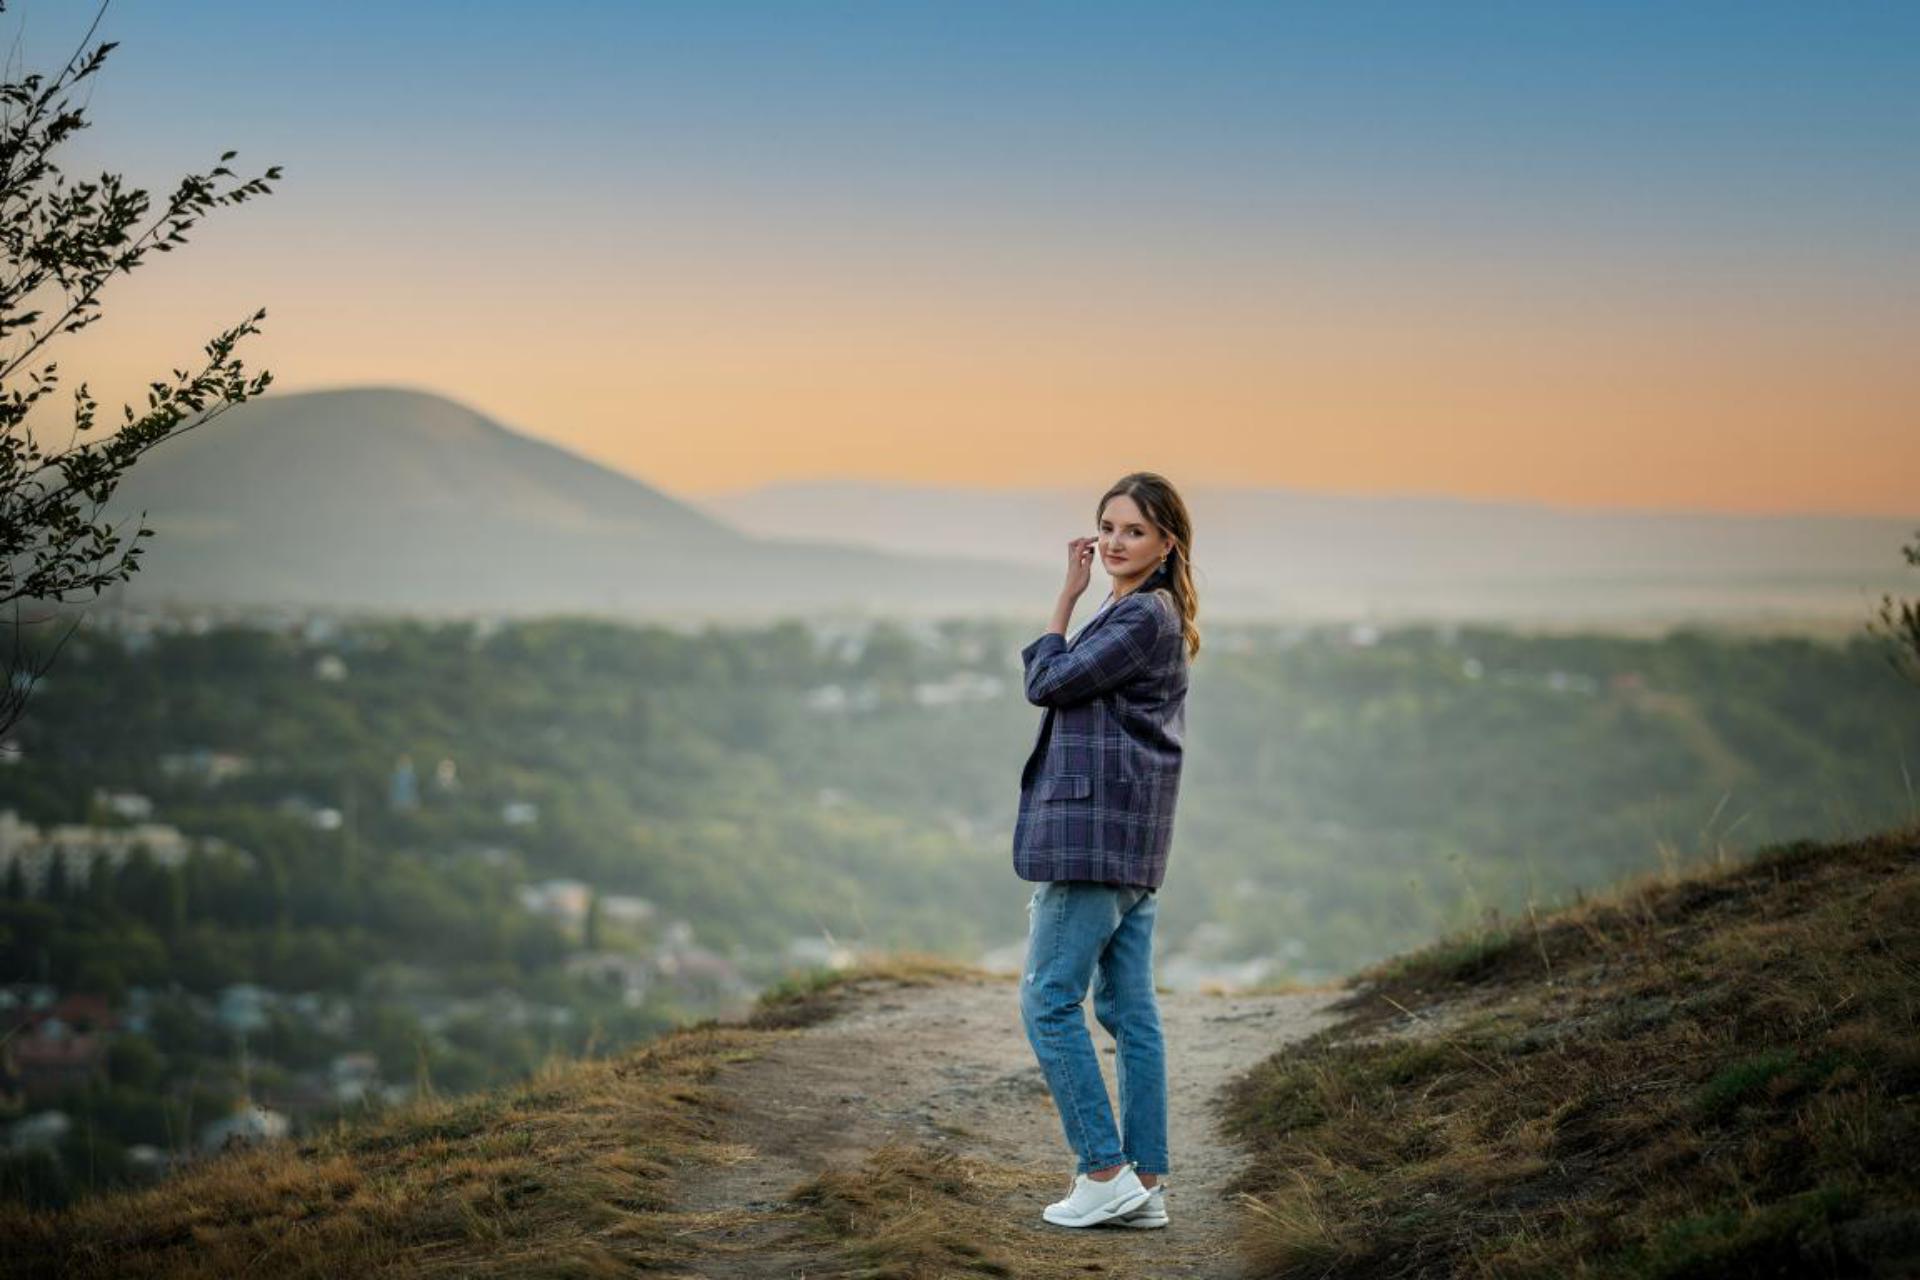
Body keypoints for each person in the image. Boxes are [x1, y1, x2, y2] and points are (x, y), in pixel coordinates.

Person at [1012, 471, 1199, 1229]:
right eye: (1108, 526)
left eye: (1134, 531)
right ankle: (1144, 1184)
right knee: (1128, 1010)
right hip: (1132, 840)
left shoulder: (1139, 619)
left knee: (1048, 1000)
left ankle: (1104, 1170)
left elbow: (1047, 681)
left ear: (1166, 543)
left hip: (1094, 839)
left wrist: (1064, 598)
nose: (1117, 542)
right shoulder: (1142, 612)